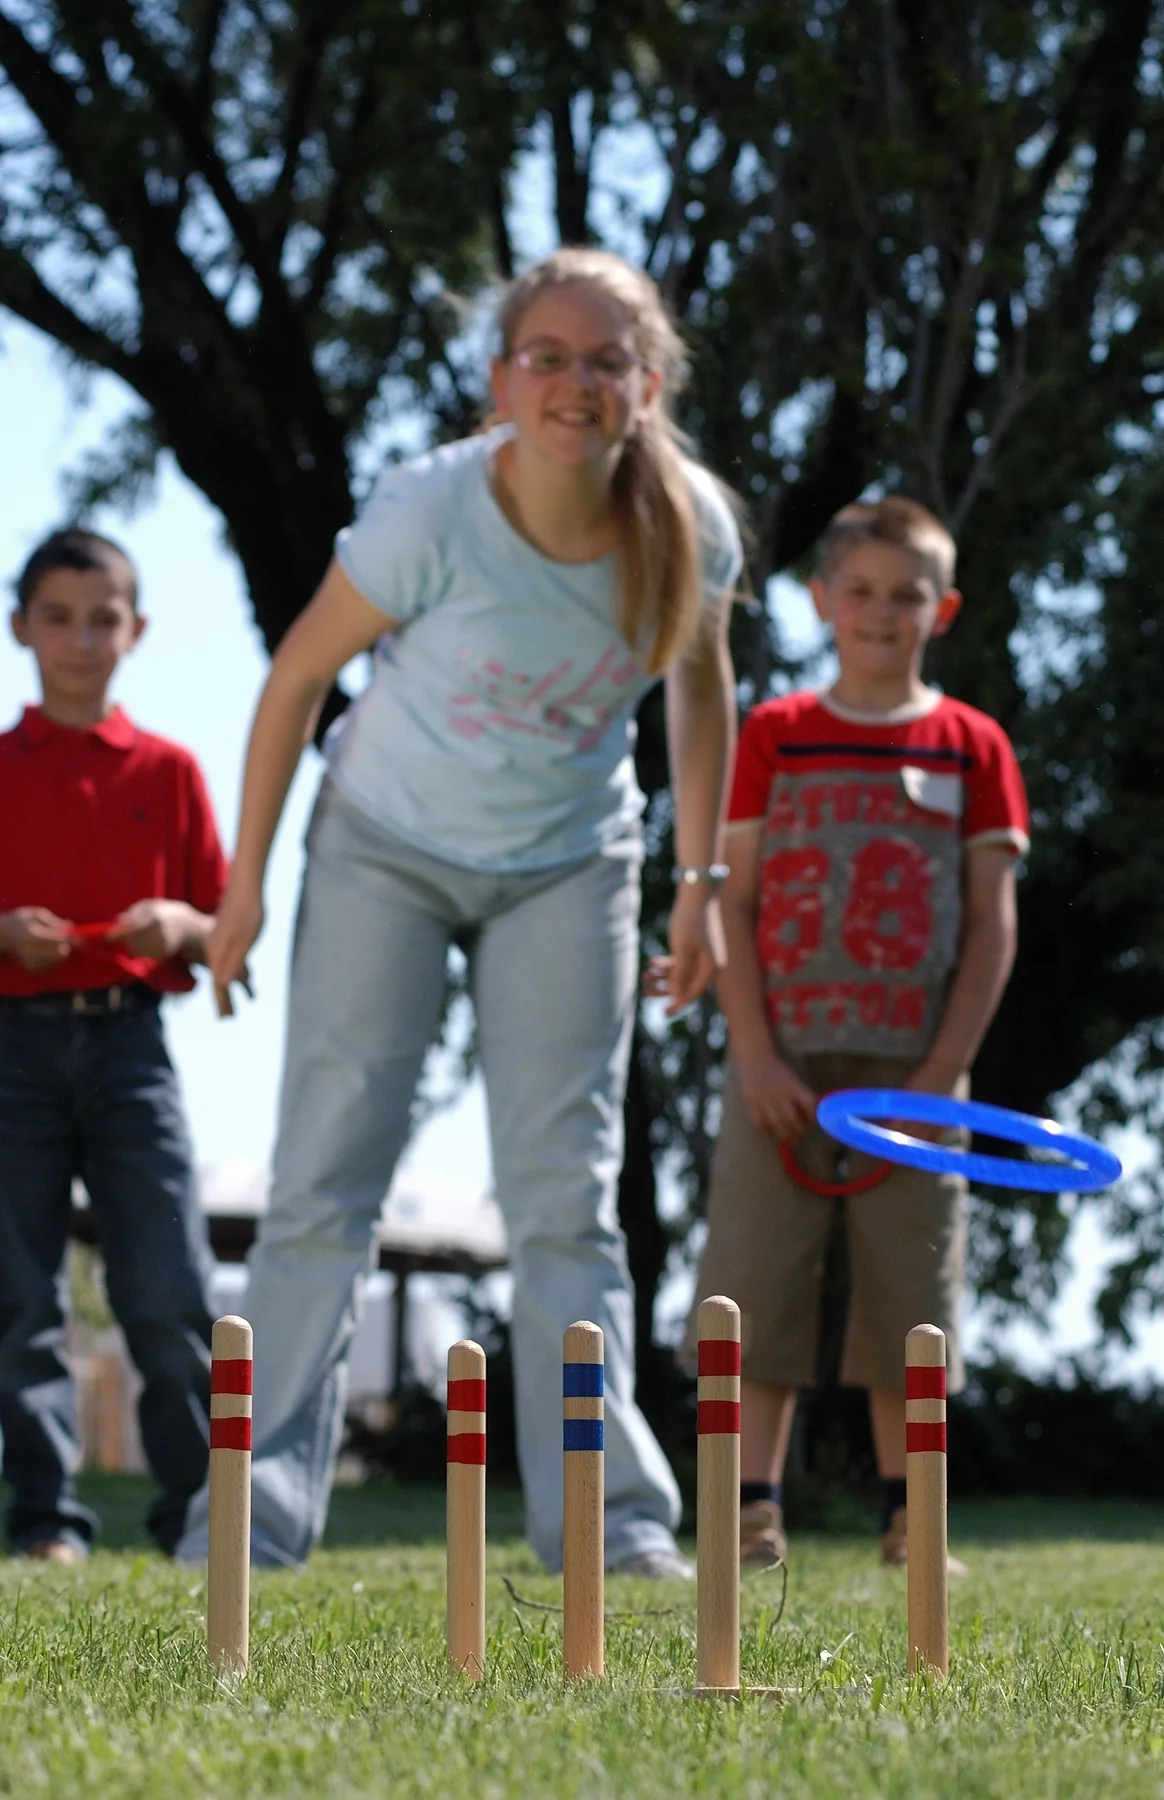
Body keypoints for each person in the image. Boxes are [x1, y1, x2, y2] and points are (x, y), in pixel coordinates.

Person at [177, 247, 743, 1576]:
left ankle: (609, 1524)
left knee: (567, 1204)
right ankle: (246, 1523)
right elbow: (294, 680)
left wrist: (701, 885)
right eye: (545, 356)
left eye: (606, 361)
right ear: (501, 378)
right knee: (324, 1181)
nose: (574, 383)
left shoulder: (690, 527)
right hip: (385, 843)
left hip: (568, 862)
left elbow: (701, 693)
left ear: (646, 387)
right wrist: (245, 883)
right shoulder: (432, 508)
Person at [686, 496, 1029, 1570]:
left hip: (916, 1077)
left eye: (908, 596)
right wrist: (753, 1052)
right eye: (863, 593)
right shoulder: (775, 733)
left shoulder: (973, 745)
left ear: (945, 608)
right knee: (755, 1289)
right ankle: (748, 1511)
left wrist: (939, 1078)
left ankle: (909, 1518)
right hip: (780, 1066)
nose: (883, 614)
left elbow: (991, 925)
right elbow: (727, 902)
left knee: (910, 1301)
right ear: (822, 600)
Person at [0, 527, 229, 1561]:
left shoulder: (171, 769)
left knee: (171, 1295)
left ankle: (195, 1515)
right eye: (59, 618)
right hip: (13, 1056)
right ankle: (48, 1521)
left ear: (137, 632)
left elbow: (226, 931)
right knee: (18, 1298)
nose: (81, 640)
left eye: (104, 619)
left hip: (134, 1051)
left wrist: (178, 925)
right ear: (21, 630)